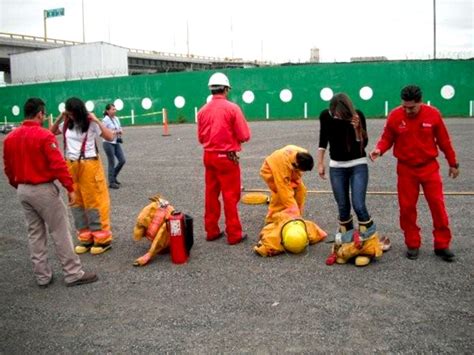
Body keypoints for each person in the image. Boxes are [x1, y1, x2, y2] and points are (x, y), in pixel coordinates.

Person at [3, 97, 98, 287]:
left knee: (35, 234)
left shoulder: (10, 138)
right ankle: (72, 273)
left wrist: (19, 186)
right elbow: (58, 165)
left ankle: (42, 276)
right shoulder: (44, 136)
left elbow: (8, 168)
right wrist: (69, 187)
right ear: (40, 113)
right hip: (43, 189)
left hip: (23, 189)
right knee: (60, 231)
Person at [370, 85, 459, 262]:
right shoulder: (395, 115)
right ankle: (412, 243)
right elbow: (387, 137)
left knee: (437, 206)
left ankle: (442, 244)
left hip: (429, 168)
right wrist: (379, 150)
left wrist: (453, 162)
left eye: (412, 107)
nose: (407, 110)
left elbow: (444, 140)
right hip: (406, 169)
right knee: (407, 208)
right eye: (405, 106)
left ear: (420, 102)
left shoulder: (433, 114)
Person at [51, 97, 115, 255]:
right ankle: (85, 237)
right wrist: (61, 117)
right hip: (71, 165)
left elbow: (110, 137)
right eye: (69, 113)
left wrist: (98, 121)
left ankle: (102, 239)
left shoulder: (91, 123)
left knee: (95, 202)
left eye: (73, 114)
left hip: (90, 165)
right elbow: (50, 133)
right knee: (76, 202)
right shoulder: (66, 123)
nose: (71, 116)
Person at [197, 72, 251, 245]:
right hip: (227, 158)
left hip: (209, 156)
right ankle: (234, 234)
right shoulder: (232, 108)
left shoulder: (202, 111)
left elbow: (201, 138)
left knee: (210, 194)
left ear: (211, 90)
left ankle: (211, 231)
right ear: (226, 89)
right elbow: (244, 135)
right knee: (230, 195)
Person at [317, 93, 377, 243]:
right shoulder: (325, 116)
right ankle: (348, 240)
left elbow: (363, 144)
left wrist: (357, 128)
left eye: (339, 114)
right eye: (334, 113)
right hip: (337, 166)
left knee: (359, 204)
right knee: (343, 206)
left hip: (358, 164)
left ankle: (368, 240)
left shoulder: (358, 116)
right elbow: (322, 139)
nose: (336, 116)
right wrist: (320, 163)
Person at [260, 145, 314, 224]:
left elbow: (298, 173)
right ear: (297, 165)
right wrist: (292, 207)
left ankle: (296, 215)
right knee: (280, 196)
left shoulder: (303, 154)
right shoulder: (282, 164)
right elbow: (283, 189)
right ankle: (272, 219)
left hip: (291, 170)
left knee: (301, 190)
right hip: (270, 171)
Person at [102, 103, 126, 189]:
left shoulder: (116, 118)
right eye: (112, 109)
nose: (114, 111)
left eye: (115, 109)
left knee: (122, 160)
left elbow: (119, 128)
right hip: (108, 143)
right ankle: (111, 182)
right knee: (111, 162)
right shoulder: (105, 120)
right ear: (107, 111)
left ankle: (113, 176)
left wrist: (120, 131)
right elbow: (103, 132)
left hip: (116, 142)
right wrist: (115, 132)